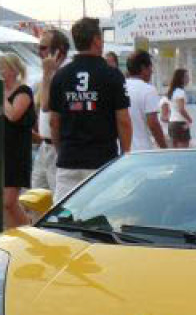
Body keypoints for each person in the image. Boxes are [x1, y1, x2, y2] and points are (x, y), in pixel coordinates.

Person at [49, 17, 132, 197]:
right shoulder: (112, 75)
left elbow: (54, 122)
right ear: (96, 40)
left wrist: (62, 151)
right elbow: (123, 120)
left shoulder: (60, 76)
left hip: (69, 161)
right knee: (102, 218)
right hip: (102, 161)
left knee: (63, 220)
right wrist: (126, 155)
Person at [0, 52, 35, 228]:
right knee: (4, 204)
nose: (0, 71)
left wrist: (2, 96)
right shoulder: (1, 93)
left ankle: (28, 231)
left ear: (13, 70)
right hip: (1, 150)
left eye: (2, 67)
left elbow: (13, 115)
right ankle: (13, 233)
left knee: (9, 201)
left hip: (16, 151)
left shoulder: (23, 91)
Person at [32, 29, 69, 191]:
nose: (39, 52)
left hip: (56, 145)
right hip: (44, 144)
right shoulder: (49, 74)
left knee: (56, 198)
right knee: (34, 198)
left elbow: (46, 106)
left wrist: (48, 73)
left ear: (58, 50)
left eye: (43, 48)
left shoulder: (62, 74)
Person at [125, 50, 169, 152]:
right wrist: (165, 148)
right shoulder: (148, 90)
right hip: (142, 150)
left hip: (122, 151)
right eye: (150, 67)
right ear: (143, 68)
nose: (152, 71)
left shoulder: (119, 87)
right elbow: (153, 124)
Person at [166, 68, 192, 148]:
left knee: (174, 152)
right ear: (181, 79)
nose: (189, 79)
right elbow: (181, 109)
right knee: (183, 153)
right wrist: (190, 119)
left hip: (172, 123)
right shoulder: (180, 92)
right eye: (187, 77)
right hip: (180, 124)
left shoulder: (173, 92)